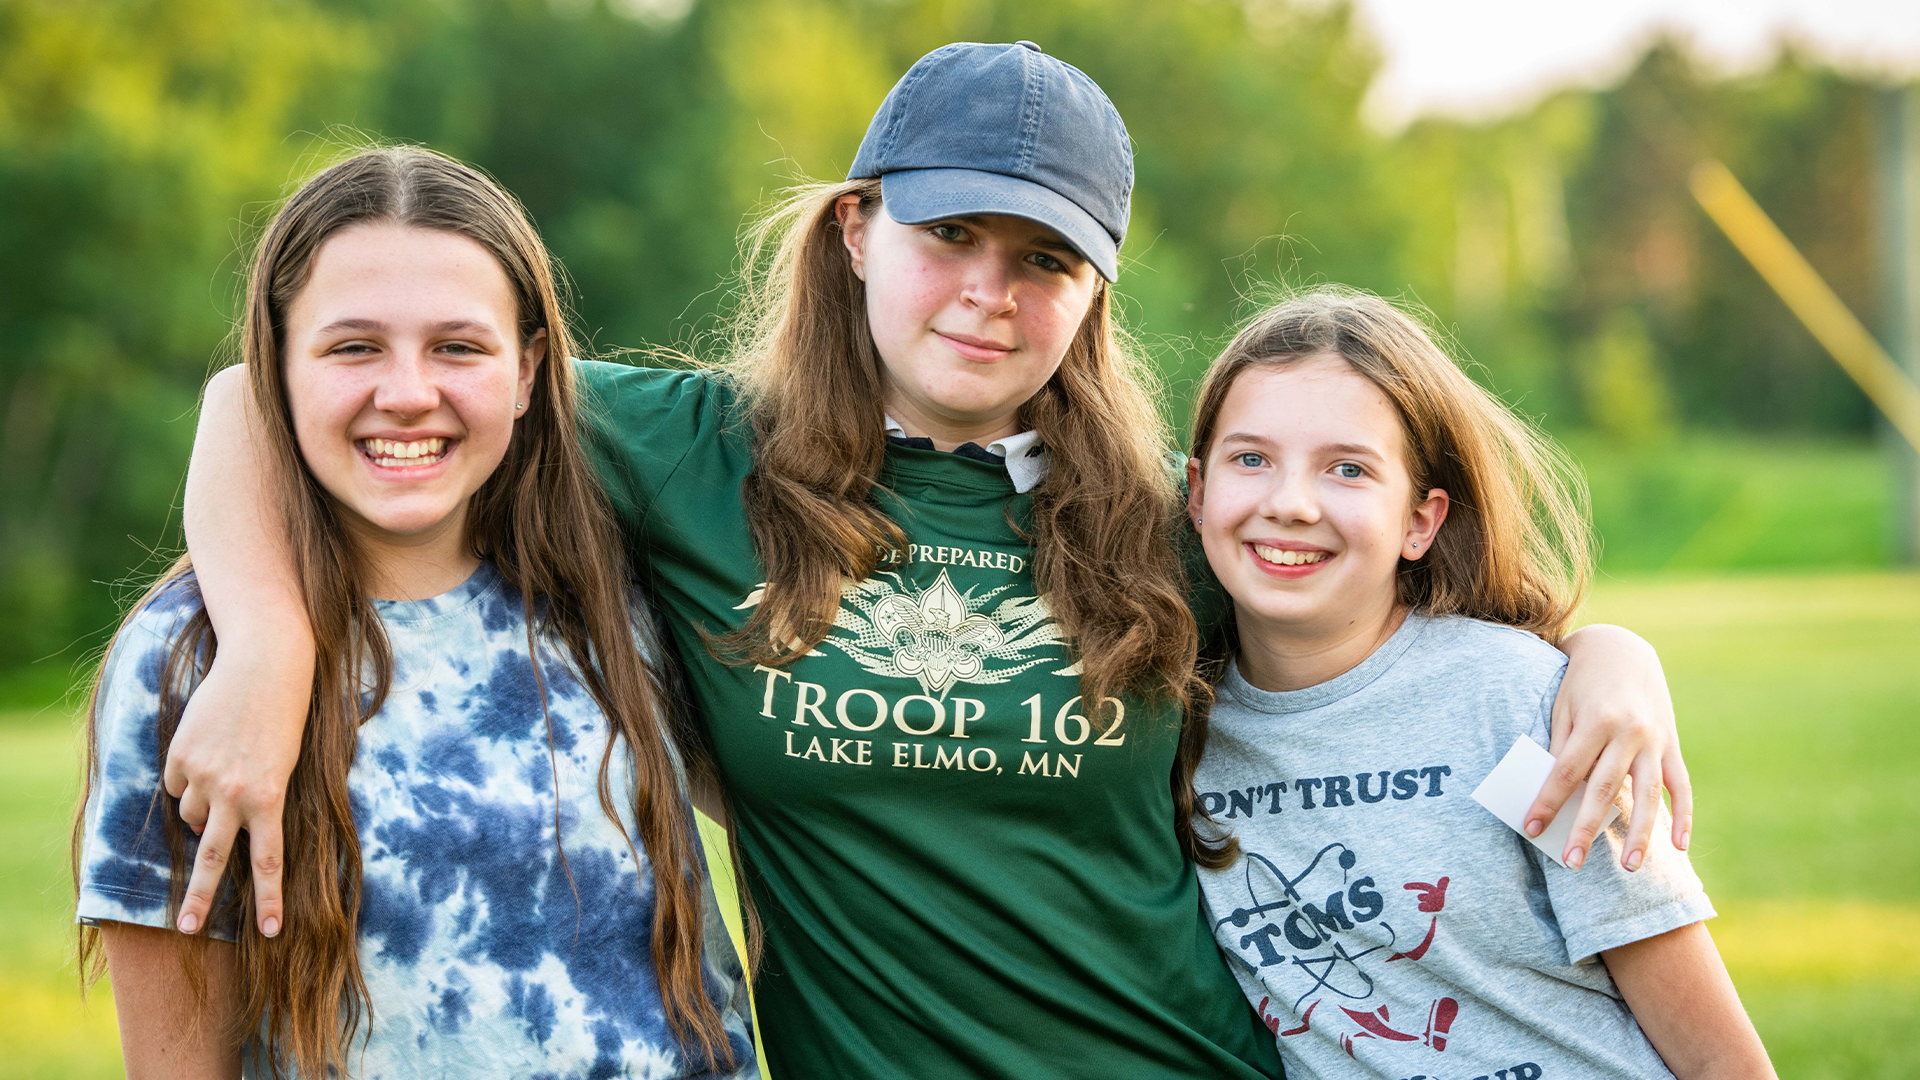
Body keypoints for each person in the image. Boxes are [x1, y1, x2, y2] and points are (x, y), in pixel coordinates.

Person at [163, 43, 1691, 1079]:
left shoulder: (1173, 522)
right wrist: (272, 646)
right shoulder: (695, 458)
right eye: (949, 235)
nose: (988, 294)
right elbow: (258, 396)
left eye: (1045, 260)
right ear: (854, 231)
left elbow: (1434, 637)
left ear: (1095, 292)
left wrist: (1617, 668)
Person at [72, 147, 758, 1079]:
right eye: (354, 346)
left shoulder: (618, 596)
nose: (406, 394)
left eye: (458, 346)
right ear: (277, 367)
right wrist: (275, 639)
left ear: (527, 372)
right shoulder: (195, 658)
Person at [1183, 290, 1773, 1079]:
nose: (1290, 503)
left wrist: (1610, 649)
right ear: (1196, 492)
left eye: (1348, 469)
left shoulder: (1513, 706)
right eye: (1251, 459)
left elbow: (1716, 1055)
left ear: (1419, 522)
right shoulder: (1178, 733)